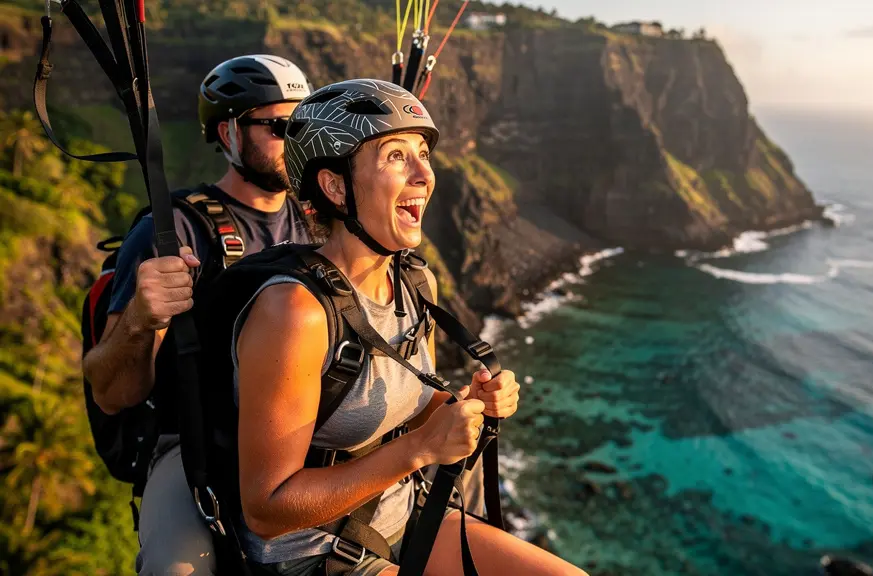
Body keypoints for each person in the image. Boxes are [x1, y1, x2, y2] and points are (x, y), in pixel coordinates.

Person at [230, 79, 588, 575]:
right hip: (318, 555)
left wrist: (468, 405)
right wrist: (420, 449)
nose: (425, 174)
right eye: (396, 156)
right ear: (335, 187)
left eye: (423, 153)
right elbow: (266, 508)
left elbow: (414, 404)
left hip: (408, 518)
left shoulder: (416, 281)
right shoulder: (294, 312)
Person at [82, 54, 315, 575]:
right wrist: (143, 317)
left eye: (305, 126)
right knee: (176, 568)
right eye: (280, 127)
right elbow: (111, 391)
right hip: (195, 445)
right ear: (230, 133)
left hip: (296, 432)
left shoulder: (318, 222)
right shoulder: (173, 233)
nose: (296, 140)